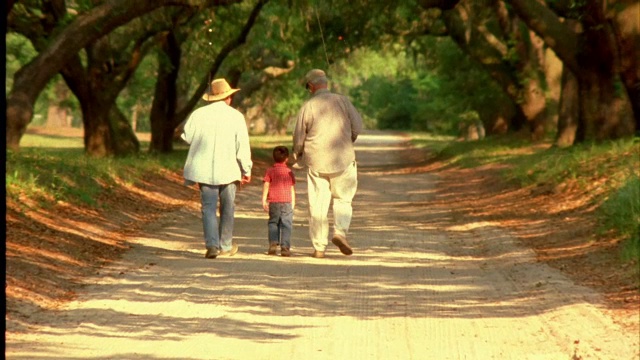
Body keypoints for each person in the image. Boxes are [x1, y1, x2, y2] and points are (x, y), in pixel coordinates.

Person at [293, 69, 363, 258]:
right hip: (344, 159)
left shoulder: (308, 106)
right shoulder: (343, 101)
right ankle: (340, 232)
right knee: (343, 199)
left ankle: (319, 248)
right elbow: (357, 127)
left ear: (311, 86)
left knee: (317, 205)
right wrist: (347, 141)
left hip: (316, 161)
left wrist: (297, 154)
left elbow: (299, 136)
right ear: (325, 83)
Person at [181, 78, 252, 259]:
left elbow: (187, 137)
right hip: (229, 170)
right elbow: (242, 146)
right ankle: (226, 245)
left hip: (204, 170)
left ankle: (211, 245)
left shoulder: (198, 114)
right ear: (228, 98)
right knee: (228, 207)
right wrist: (247, 170)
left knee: (208, 208)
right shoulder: (236, 116)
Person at [262, 146, 296, 257]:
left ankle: (273, 243)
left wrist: (264, 200)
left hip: (274, 202)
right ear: (287, 158)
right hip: (287, 201)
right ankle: (285, 247)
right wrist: (293, 203)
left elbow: (266, 185)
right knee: (286, 224)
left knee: (273, 223)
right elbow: (292, 188)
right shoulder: (289, 172)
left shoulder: (270, 171)